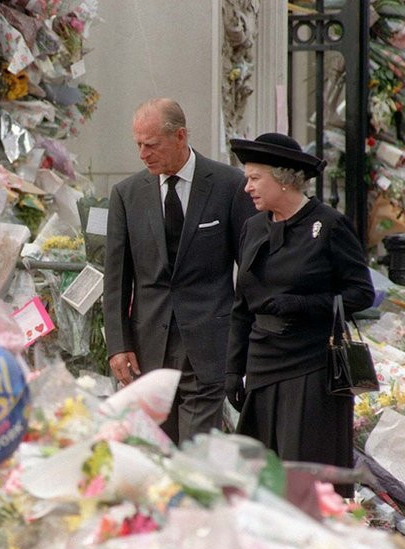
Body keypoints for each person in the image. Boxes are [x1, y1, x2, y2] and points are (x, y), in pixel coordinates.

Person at [103, 98, 256, 443]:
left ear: (180, 136)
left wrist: (244, 341)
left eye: (151, 144)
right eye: (138, 144)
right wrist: (118, 344)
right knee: (155, 452)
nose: (143, 154)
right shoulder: (126, 195)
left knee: (195, 453)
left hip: (208, 343)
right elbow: (115, 280)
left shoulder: (229, 185)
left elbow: (248, 270)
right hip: (147, 347)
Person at [225, 133, 374, 480]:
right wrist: (233, 369)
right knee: (259, 478)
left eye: (254, 178)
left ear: (284, 178)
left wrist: (302, 304)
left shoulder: (329, 226)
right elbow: (241, 306)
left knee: (303, 479)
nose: (247, 188)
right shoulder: (253, 227)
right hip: (262, 367)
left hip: (310, 368)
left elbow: (361, 293)